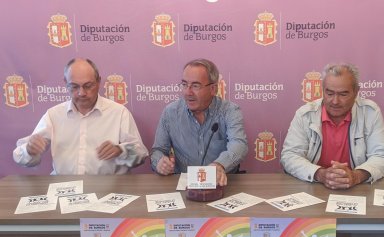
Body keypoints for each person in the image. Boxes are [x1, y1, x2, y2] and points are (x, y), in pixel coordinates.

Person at [13, 58, 148, 174]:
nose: (81, 93)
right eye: (74, 87)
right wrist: (29, 150)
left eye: (88, 86)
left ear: (99, 82)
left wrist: (120, 150)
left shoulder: (119, 113)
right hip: (65, 190)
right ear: (65, 83)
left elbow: (141, 154)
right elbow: (19, 156)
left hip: (109, 190)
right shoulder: (53, 115)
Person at [280, 63, 384, 189]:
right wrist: (320, 174)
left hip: (357, 188)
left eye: (343, 94)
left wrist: (356, 176)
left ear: (356, 92)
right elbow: (290, 156)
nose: (335, 101)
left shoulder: (370, 112)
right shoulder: (305, 114)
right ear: (322, 90)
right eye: (329, 93)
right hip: (314, 187)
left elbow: (382, 155)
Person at [150, 58, 248, 185]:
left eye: (195, 86)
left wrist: (219, 165)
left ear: (213, 89)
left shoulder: (230, 111)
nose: (187, 92)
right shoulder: (170, 112)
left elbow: (239, 144)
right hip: (185, 186)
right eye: (184, 84)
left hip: (222, 183)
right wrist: (159, 162)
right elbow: (158, 150)